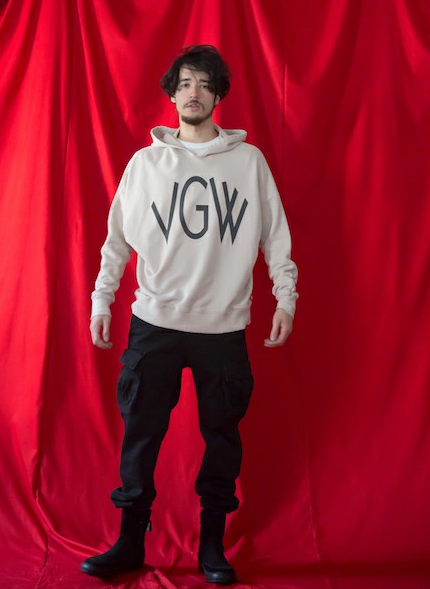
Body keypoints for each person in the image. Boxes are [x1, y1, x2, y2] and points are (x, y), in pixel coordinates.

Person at [81, 44, 298, 585]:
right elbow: (115, 239)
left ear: (218, 94)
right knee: (140, 434)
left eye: (203, 83)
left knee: (222, 436)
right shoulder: (145, 164)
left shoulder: (248, 163)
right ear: (172, 95)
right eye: (183, 84)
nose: (193, 93)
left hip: (222, 327)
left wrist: (286, 296)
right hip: (154, 321)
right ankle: (130, 542)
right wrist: (102, 298)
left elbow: (275, 235)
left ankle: (212, 546)